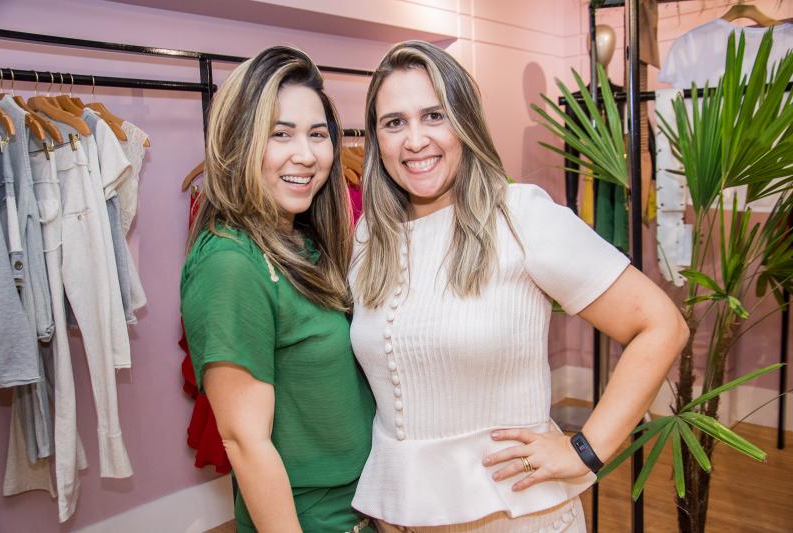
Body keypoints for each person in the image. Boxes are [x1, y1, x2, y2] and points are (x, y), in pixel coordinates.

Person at [349, 40, 688, 532]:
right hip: (401, 515)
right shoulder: (369, 236)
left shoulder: (519, 215)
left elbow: (661, 325)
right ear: (376, 138)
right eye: (394, 122)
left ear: (465, 122)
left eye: (434, 116)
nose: (415, 140)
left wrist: (585, 448)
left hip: (514, 514)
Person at [181, 47, 375, 533]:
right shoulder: (230, 263)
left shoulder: (305, 241)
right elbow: (246, 444)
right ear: (239, 143)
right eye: (280, 134)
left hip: (366, 503)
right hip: (314, 519)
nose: (305, 155)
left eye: (317, 135)